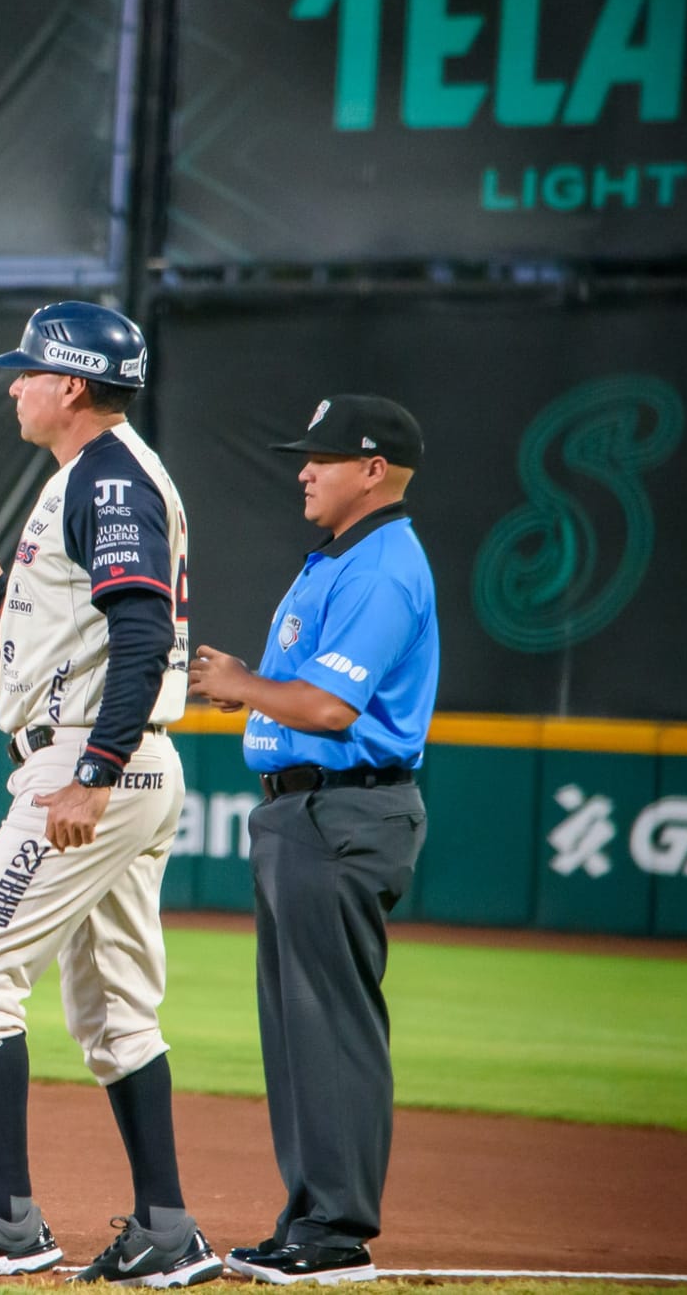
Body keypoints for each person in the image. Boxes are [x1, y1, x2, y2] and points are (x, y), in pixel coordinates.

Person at [0, 302, 221, 1286]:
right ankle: (165, 1229)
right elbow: (86, 627)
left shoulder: (109, 476)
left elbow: (137, 636)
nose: (13, 385)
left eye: (28, 371)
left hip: (93, 764)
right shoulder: (96, 476)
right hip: (128, 760)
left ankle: (6, 1218)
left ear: (71, 385)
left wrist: (91, 773)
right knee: (115, 1010)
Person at [188, 395, 438, 1286]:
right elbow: (305, 697)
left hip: (343, 812)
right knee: (298, 1030)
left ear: (373, 470)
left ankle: (335, 1231)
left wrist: (243, 682)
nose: (303, 469)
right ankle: (308, 1219)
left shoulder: (380, 567)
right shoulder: (344, 558)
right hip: (306, 813)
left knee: (329, 1026)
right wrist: (251, 692)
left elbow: (332, 710)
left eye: (323, 457)